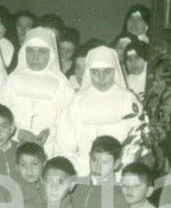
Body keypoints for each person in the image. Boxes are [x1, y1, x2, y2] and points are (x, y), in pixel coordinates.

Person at [55, 45, 142, 176]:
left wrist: (123, 167)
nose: (101, 79)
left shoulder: (128, 100)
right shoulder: (77, 101)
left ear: (116, 71)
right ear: (88, 72)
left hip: (119, 172)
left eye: (107, 72)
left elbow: (137, 139)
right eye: (95, 72)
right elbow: (64, 141)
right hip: (83, 171)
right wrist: (77, 167)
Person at [4, 27, 74, 155]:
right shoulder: (12, 80)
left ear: (51, 54)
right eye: (30, 51)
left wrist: (50, 131)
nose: (35, 57)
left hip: (49, 147)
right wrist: (17, 132)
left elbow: (68, 118)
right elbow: (2, 112)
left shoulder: (62, 84)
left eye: (42, 52)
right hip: (15, 143)